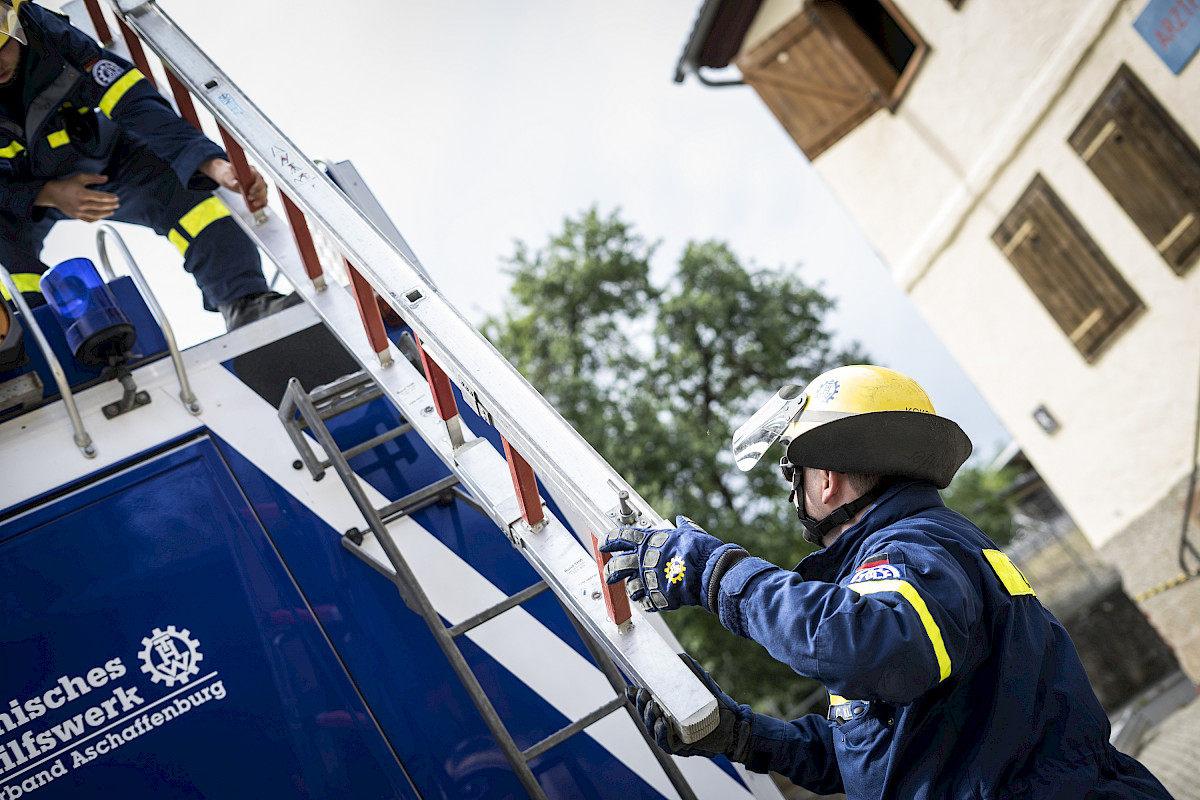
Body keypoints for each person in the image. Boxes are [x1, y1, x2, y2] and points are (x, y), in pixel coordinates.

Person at [601, 365, 1172, 798]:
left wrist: (712, 573)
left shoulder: (918, 547)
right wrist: (742, 736)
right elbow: (883, 753)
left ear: (825, 479)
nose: (794, 494)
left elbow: (869, 646)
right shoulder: (913, 556)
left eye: (792, 476)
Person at [0, 0, 298, 330]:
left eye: (3, 42)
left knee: (190, 194)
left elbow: (132, 102)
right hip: (11, 195)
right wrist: (46, 193)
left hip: (97, 157)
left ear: (17, 20)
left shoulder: (52, 36)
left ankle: (247, 306)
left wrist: (210, 163)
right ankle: (45, 348)